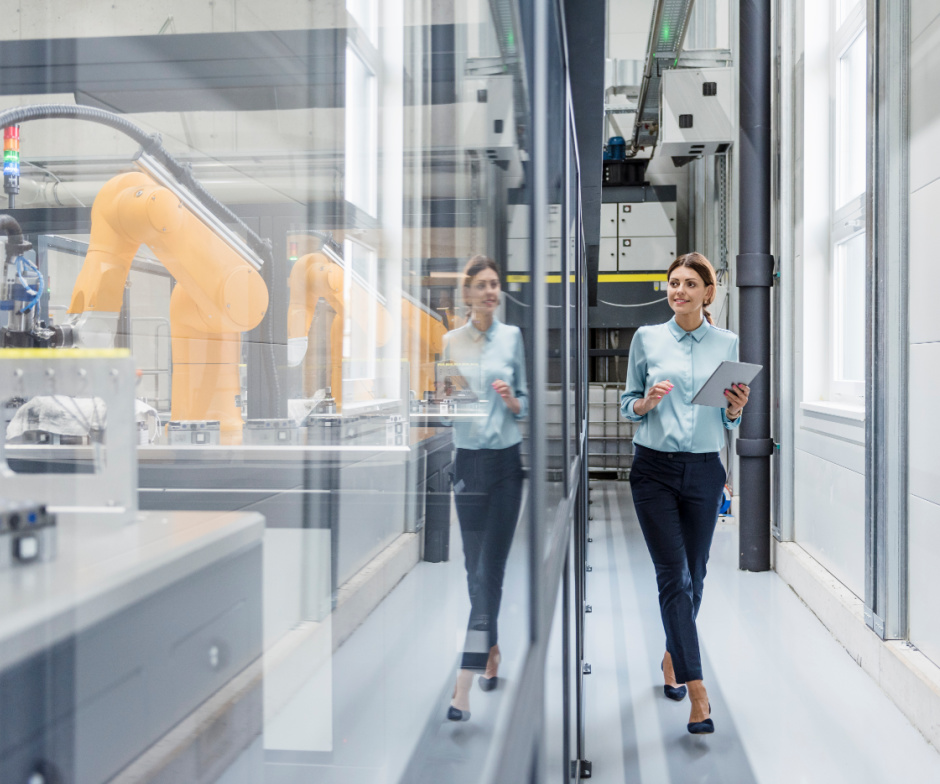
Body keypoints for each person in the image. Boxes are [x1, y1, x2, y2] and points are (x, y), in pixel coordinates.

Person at [620, 252, 750, 735]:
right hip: (652, 470)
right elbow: (625, 402)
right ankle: (698, 692)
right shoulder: (647, 339)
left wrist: (736, 410)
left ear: (707, 293)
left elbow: (727, 419)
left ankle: (673, 656)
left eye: (689, 284)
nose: (678, 291)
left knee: (695, 575)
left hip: (703, 472)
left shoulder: (727, 342)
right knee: (673, 575)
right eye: (673, 283)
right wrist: (644, 402)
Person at [443, 255, 528, 722]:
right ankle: (490, 649)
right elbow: (446, 402)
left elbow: (525, 402)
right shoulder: (450, 341)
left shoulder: (512, 338)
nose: (491, 291)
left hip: (505, 466)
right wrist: (448, 399)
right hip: (468, 463)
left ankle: (463, 680)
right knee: (472, 568)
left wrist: (512, 400)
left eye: (496, 284)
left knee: (489, 571)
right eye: (483, 285)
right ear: (468, 293)